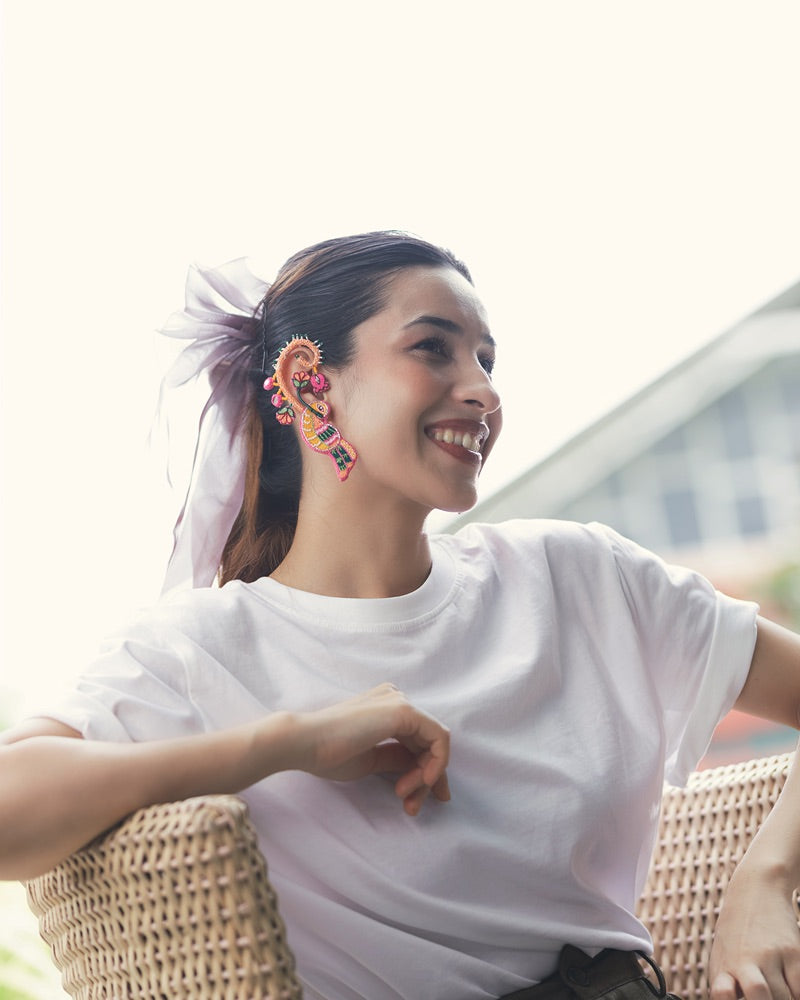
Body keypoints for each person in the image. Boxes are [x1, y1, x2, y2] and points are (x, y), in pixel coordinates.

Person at [1, 231, 800, 1000]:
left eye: (487, 359)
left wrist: (766, 877)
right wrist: (287, 742)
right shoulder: (196, 652)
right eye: (434, 348)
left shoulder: (578, 575)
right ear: (313, 382)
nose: (484, 389)